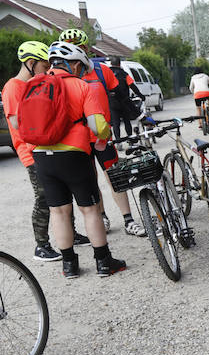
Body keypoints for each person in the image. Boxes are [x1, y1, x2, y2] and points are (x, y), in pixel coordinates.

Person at [29, 41, 126, 278]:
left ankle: (69, 265)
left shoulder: (32, 85)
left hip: (41, 155)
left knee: (58, 211)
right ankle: (104, 262)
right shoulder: (82, 86)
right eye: (81, 67)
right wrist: (104, 137)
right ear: (72, 64)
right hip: (73, 154)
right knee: (90, 210)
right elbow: (98, 125)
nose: (82, 71)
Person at [2, 41, 92, 261]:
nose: (48, 68)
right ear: (31, 63)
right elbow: (16, 123)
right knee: (44, 198)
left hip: (43, 147)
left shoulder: (34, 82)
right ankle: (41, 245)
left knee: (62, 195)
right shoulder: (14, 87)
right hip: (29, 151)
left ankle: (70, 235)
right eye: (44, 64)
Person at [57, 28, 145, 237]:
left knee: (115, 177)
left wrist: (136, 115)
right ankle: (102, 217)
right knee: (89, 180)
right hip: (78, 140)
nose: (76, 51)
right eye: (70, 47)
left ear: (86, 48)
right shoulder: (60, 79)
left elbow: (118, 98)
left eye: (79, 47)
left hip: (103, 137)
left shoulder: (102, 70)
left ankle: (128, 220)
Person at [107, 55, 144, 142]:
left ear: (111, 63)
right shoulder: (124, 74)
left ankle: (118, 141)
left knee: (116, 123)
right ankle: (130, 139)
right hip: (124, 101)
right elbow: (132, 86)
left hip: (112, 102)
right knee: (127, 121)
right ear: (119, 64)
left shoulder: (107, 73)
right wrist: (141, 95)